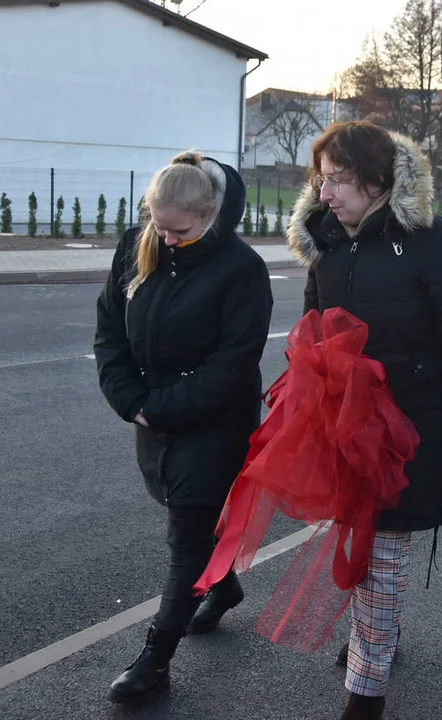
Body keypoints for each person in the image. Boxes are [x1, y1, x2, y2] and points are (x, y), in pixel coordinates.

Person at [286, 121, 442, 719]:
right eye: (322, 182)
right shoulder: (326, 240)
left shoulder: (434, 241)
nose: (326, 195)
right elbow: (312, 331)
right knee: (357, 540)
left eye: (340, 182)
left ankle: (365, 692)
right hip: (342, 426)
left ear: (377, 181)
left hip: (412, 431)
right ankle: (374, 645)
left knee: (384, 554)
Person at [94, 151, 273, 705]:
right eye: (158, 225)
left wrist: (161, 407)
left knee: (186, 535)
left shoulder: (241, 269)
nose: (166, 239)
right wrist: (133, 403)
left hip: (216, 422)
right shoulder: (137, 245)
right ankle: (225, 585)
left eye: (180, 230)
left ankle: (155, 660)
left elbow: (233, 364)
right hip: (154, 414)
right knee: (179, 510)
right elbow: (109, 333)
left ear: (211, 214)